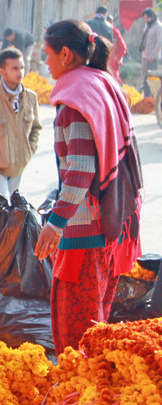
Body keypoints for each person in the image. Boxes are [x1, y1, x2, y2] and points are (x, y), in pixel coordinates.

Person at [35, 20, 143, 353]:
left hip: (85, 231)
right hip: (111, 225)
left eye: (48, 55)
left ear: (65, 54)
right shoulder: (103, 83)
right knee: (97, 323)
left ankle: (79, 386)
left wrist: (55, 223)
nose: (46, 63)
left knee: (76, 333)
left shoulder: (74, 101)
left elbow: (80, 171)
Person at [0, 48, 42, 198]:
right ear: (2, 71)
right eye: (14, 68)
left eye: (22, 67)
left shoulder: (31, 98)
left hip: (18, 167)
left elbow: (36, 128)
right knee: (1, 206)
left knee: (15, 208)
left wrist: (28, 151)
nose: (20, 72)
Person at [140, 8, 162, 97]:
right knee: (145, 81)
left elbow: (159, 43)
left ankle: (152, 101)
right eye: (144, 18)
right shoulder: (147, 26)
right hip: (145, 57)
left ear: (152, 17)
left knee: (151, 81)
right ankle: (146, 100)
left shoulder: (158, 27)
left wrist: (152, 56)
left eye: (147, 18)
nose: (146, 20)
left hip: (152, 59)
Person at [107, 14, 127, 83]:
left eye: (110, 21)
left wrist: (117, 57)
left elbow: (123, 48)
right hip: (104, 59)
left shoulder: (115, 32)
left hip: (112, 60)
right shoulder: (101, 30)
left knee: (114, 78)